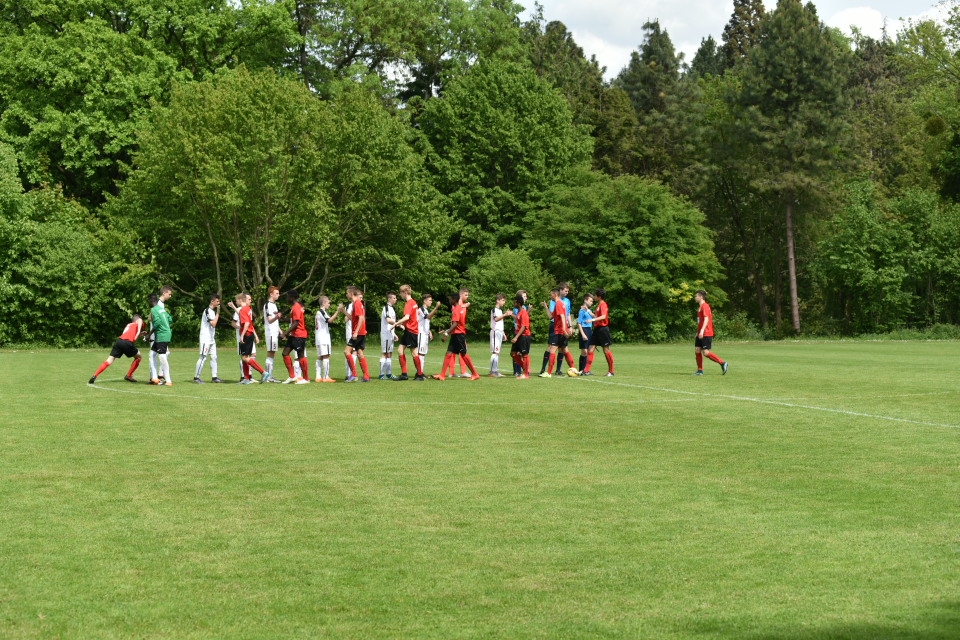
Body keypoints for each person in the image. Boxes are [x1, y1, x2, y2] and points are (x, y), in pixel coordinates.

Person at [433, 288, 480, 381]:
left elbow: (455, 324)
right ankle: (442, 375)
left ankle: (475, 374)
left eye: (450, 299)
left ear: (454, 299)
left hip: (459, 335)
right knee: (449, 353)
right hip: (456, 335)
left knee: (463, 354)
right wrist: (448, 332)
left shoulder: (456, 309)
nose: (449, 301)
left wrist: (446, 333)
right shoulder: (459, 308)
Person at [88, 313, 145, 385]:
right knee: (139, 356)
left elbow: (130, 337)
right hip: (127, 343)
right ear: (136, 320)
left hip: (119, 342)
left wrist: (139, 335)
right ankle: (129, 375)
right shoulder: (137, 322)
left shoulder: (129, 325)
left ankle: (95, 375)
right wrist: (138, 332)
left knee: (109, 360)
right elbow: (139, 320)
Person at [694, 289, 729, 376]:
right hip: (701, 333)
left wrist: (702, 330)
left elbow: (706, 319)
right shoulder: (700, 307)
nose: (695, 297)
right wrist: (698, 332)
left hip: (706, 333)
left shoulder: (705, 306)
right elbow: (700, 321)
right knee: (697, 350)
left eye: (696, 296)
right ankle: (700, 371)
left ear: (701, 297)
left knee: (706, 352)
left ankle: (722, 363)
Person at [539, 282, 572, 375]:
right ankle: (573, 368)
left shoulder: (558, 304)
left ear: (555, 294)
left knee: (553, 349)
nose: (550, 296)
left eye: (551, 295)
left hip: (559, 330)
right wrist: (546, 307)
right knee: (564, 349)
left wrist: (565, 329)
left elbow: (563, 317)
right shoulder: (557, 303)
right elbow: (551, 317)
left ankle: (549, 372)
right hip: (559, 329)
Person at [395, 285, 426, 381]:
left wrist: (396, 323)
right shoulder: (414, 302)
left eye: (401, 293)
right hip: (409, 330)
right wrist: (403, 324)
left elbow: (407, 317)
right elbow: (411, 318)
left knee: (414, 353)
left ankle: (420, 375)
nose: (400, 295)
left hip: (412, 331)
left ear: (405, 292)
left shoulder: (409, 303)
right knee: (400, 350)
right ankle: (404, 374)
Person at [279, 289, 310, 384]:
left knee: (301, 356)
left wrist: (284, 333)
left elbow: (296, 323)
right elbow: (293, 320)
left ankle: (306, 378)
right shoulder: (294, 307)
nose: (287, 299)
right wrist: (283, 318)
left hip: (299, 335)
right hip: (294, 335)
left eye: (288, 297)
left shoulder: (296, 307)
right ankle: (292, 376)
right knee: (285, 353)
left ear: (292, 297)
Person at [582, 288, 615, 377]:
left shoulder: (603, 305)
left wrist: (592, 320)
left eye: (595, 295)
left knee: (606, 350)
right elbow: (597, 316)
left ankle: (611, 371)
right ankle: (586, 370)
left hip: (603, 329)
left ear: (599, 297)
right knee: (590, 349)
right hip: (597, 329)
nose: (594, 297)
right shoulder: (599, 305)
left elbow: (603, 316)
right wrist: (588, 311)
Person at [237, 292, 268, 384]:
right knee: (245, 357)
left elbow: (247, 323)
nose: (236, 302)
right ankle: (246, 378)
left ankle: (263, 372)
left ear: (240, 300)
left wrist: (242, 335)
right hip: (250, 334)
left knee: (245, 358)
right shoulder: (248, 308)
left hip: (247, 335)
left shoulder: (243, 310)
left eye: (236, 300)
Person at [194, 293, 224, 383]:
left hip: (211, 338)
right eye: (217, 301)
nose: (218, 303)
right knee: (203, 357)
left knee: (214, 357)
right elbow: (213, 324)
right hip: (205, 338)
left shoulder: (212, 311)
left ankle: (214, 377)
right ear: (212, 301)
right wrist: (218, 313)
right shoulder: (207, 311)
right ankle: (196, 377)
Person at [344, 286, 371, 382]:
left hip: (358, 333)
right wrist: (343, 311)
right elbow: (353, 318)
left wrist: (356, 332)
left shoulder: (357, 303)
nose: (346, 295)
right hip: (360, 332)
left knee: (347, 351)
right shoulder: (356, 304)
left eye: (347, 293)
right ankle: (366, 376)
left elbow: (361, 318)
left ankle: (354, 374)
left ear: (351, 293)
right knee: (360, 353)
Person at [148, 286, 173, 383]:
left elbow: (157, 322)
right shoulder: (160, 307)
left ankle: (167, 380)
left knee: (162, 356)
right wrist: (166, 326)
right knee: (152, 354)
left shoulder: (155, 308)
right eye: (169, 294)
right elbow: (170, 319)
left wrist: (149, 334)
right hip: (162, 333)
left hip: (160, 334)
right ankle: (154, 377)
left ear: (151, 301)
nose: (170, 296)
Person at [314, 296, 342, 382]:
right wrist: (338, 311)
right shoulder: (321, 312)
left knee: (320, 356)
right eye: (328, 303)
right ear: (324, 303)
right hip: (323, 338)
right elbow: (329, 320)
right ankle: (326, 377)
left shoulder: (321, 312)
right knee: (326, 356)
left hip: (319, 337)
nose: (329, 304)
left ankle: (318, 377)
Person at [262, 286, 284, 383]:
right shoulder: (267, 305)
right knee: (271, 352)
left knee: (272, 353)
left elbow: (275, 322)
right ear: (271, 294)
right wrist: (277, 317)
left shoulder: (274, 305)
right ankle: (268, 376)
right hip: (270, 332)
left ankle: (269, 375)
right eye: (276, 293)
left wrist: (280, 331)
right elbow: (270, 320)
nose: (278, 295)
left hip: (274, 332)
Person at [510, 293, 532, 379]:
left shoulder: (524, 313)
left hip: (524, 336)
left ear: (518, 303)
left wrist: (516, 337)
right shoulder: (519, 313)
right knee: (513, 353)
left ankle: (525, 374)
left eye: (515, 302)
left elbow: (524, 326)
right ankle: (526, 369)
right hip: (519, 335)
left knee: (524, 354)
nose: (514, 303)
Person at [417, 293, 440, 377]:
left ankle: (421, 372)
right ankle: (419, 373)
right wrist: (436, 308)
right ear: (424, 301)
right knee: (420, 354)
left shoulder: (426, 310)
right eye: (430, 300)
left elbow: (425, 322)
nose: (431, 302)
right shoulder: (421, 309)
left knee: (423, 354)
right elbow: (428, 317)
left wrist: (429, 331)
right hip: (421, 334)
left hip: (425, 334)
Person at [489, 294, 509, 377]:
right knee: (495, 352)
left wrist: (503, 333)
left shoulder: (500, 311)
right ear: (498, 300)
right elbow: (496, 319)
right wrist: (505, 315)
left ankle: (495, 370)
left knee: (497, 352)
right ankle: (492, 372)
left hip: (499, 332)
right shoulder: (494, 310)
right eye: (503, 300)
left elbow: (500, 323)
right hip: (495, 332)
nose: (504, 302)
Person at [379, 292, 398, 380]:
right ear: (389, 299)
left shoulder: (392, 308)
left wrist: (394, 334)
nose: (395, 299)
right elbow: (388, 320)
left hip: (390, 334)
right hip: (386, 334)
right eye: (394, 298)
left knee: (390, 353)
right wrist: (399, 324)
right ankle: (381, 374)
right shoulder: (386, 308)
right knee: (385, 353)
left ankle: (389, 373)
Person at [577, 293, 595, 375]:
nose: (592, 302)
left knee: (588, 351)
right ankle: (581, 370)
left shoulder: (589, 310)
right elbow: (579, 323)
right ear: (585, 300)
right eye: (590, 301)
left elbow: (595, 317)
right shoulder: (581, 311)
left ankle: (586, 370)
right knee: (584, 351)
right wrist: (583, 334)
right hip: (584, 330)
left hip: (589, 330)